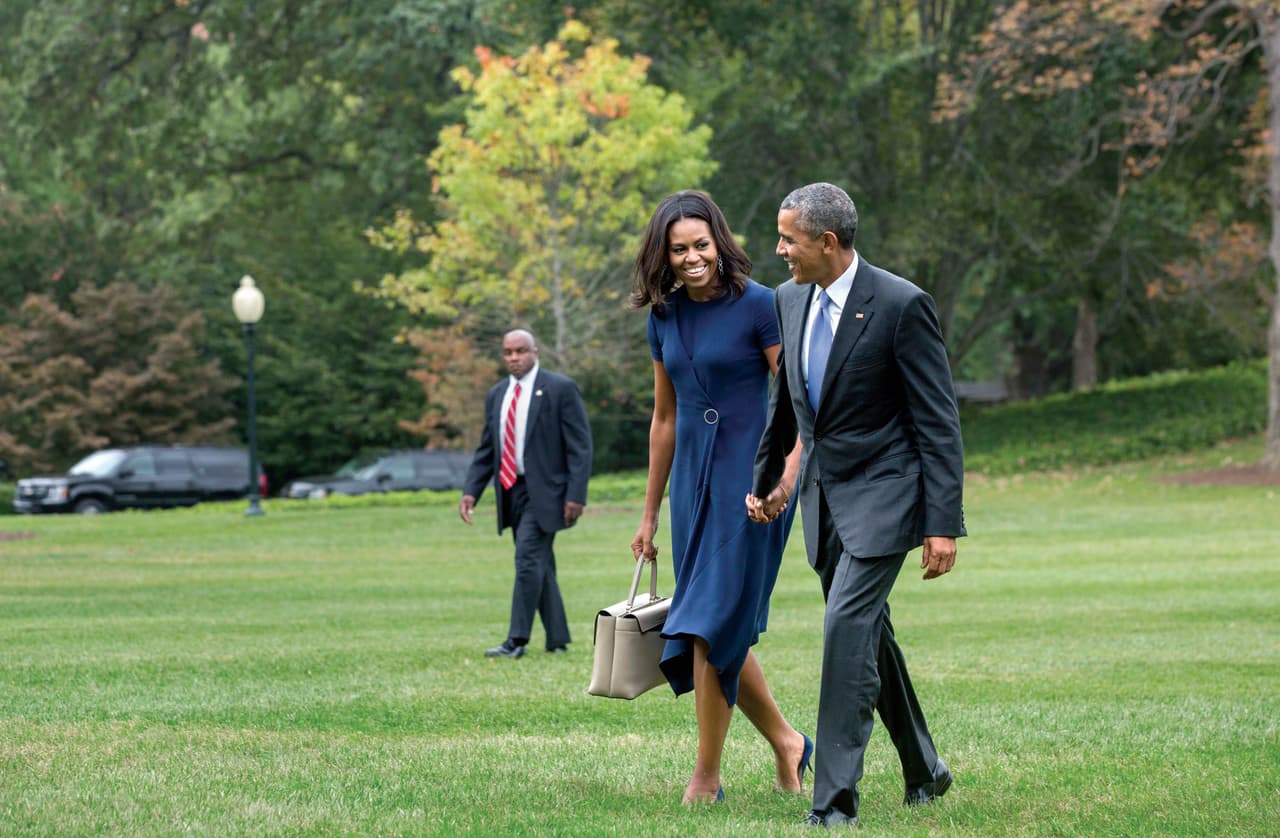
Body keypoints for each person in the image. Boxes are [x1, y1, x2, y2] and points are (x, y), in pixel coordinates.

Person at [748, 182, 966, 828]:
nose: (780, 249)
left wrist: (941, 524)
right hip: (823, 498)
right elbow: (788, 403)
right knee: (871, 639)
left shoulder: (901, 304)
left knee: (845, 630)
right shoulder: (788, 300)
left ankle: (835, 800)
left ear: (828, 242)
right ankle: (926, 768)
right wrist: (767, 483)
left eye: (789, 238)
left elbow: (938, 422)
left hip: (887, 494)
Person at [629, 190, 812, 805]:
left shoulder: (763, 306)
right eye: (678, 250)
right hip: (692, 487)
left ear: (719, 243)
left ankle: (705, 777)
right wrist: (650, 514)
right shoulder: (663, 316)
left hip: (753, 485)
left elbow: (798, 407)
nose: (692, 258)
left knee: (707, 625)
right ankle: (788, 742)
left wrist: (785, 480)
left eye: (700, 245)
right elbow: (664, 419)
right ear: (665, 255)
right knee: (716, 623)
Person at [460, 329, 593, 659]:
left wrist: (576, 495)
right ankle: (558, 638)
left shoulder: (560, 388)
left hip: (548, 494)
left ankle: (516, 640)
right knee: (539, 563)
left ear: (535, 352)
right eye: (507, 352)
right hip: (510, 490)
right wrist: (471, 492)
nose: (514, 358)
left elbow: (581, 447)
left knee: (526, 560)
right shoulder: (497, 394)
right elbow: (487, 448)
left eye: (520, 351)